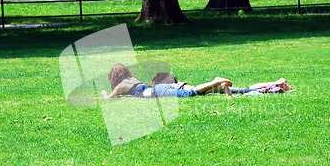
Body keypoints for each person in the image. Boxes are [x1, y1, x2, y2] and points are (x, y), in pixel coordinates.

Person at [101, 64, 233, 99]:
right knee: (194, 92)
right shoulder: (134, 80)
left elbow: (109, 98)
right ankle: (220, 88)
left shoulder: (121, 85)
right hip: (159, 89)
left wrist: (103, 93)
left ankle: (215, 82)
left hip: (158, 91)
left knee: (190, 94)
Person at [151, 72, 292, 96]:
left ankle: (277, 83)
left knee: (243, 90)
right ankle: (277, 83)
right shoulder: (176, 85)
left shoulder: (173, 86)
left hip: (201, 89)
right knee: (244, 90)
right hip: (203, 89)